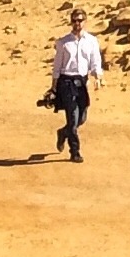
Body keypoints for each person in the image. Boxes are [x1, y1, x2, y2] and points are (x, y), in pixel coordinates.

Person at [47, 9, 103, 163]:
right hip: (66, 82)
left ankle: (63, 132)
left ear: (85, 21)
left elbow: (95, 61)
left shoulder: (92, 41)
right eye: (75, 20)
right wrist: (54, 87)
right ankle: (75, 151)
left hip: (82, 83)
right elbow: (57, 66)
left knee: (82, 117)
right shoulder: (63, 43)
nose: (77, 23)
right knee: (72, 117)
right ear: (71, 22)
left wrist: (98, 77)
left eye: (80, 20)